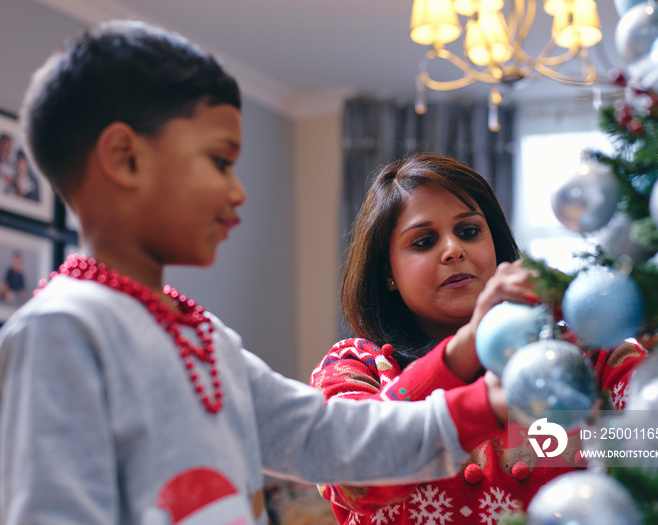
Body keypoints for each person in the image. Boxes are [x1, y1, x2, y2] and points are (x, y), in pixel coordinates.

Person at [0, 21, 511, 525]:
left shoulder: (202, 337)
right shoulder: (62, 328)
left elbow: (330, 438)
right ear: (124, 158)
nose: (238, 192)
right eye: (220, 161)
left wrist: (490, 398)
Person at [311, 153, 647, 524]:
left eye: (469, 232)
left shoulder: (584, 352)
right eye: (423, 242)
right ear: (387, 272)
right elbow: (351, 476)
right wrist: (471, 341)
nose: (453, 250)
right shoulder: (355, 367)